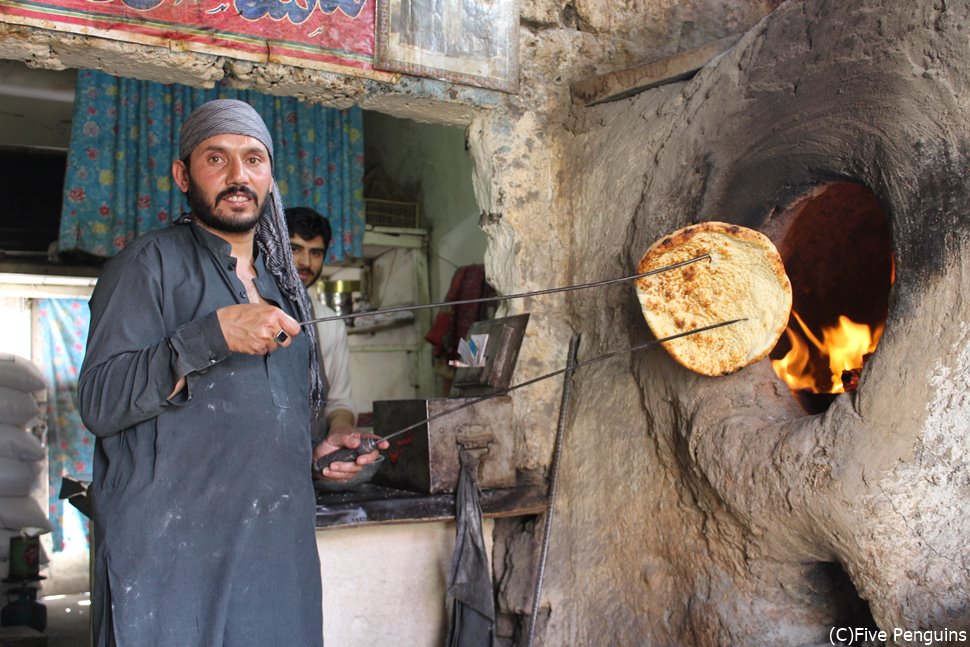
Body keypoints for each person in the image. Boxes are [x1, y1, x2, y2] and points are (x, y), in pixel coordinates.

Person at [77, 99, 381, 647]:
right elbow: (99, 403)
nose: (238, 175)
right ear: (182, 174)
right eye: (216, 158)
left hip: (275, 558)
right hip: (173, 563)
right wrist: (209, 336)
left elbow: (259, 423)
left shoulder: (286, 288)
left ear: (269, 177)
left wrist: (318, 452)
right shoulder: (147, 265)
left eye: (254, 159)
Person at [284, 207, 360, 455]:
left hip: (309, 459)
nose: (305, 262)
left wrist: (341, 428)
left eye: (315, 253)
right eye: (294, 249)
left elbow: (339, 402)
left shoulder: (329, 322)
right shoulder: (247, 309)